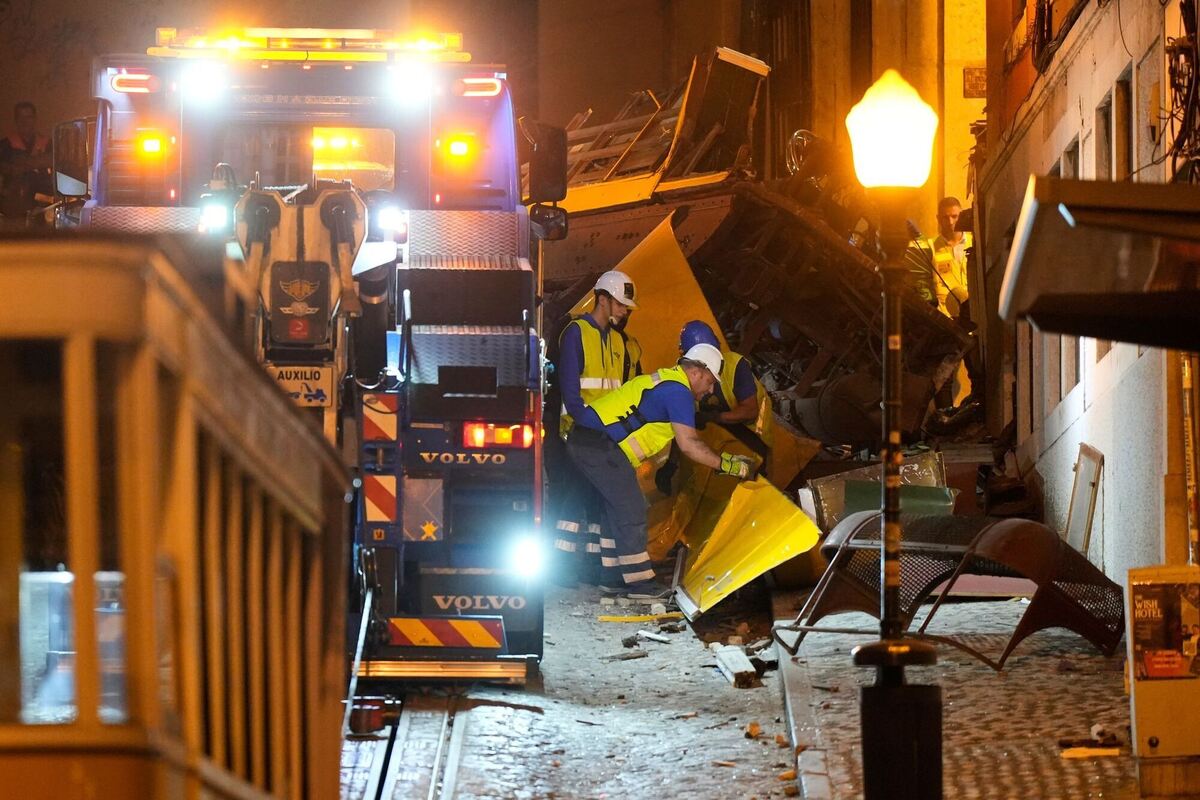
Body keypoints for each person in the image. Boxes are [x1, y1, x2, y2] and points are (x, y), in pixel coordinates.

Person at [566, 343, 754, 599]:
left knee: (616, 509)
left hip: (588, 439)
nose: (710, 390)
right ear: (697, 372)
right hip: (599, 444)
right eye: (710, 381)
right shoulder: (678, 392)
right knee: (632, 508)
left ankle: (612, 578)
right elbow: (689, 444)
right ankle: (640, 583)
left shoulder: (666, 381)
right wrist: (728, 465)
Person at [551, 270, 639, 586]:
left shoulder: (618, 341)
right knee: (576, 497)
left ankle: (589, 569)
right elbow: (571, 396)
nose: (625, 311)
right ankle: (562, 567)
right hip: (578, 431)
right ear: (603, 299)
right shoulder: (576, 333)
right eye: (621, 304)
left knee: (591, 498)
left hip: (604, 436)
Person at [0, 102, 52, 221]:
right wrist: (37, 162)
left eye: (28, 117)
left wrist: (22, 163)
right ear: (16, 120)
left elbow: (53, 160)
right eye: (21, 117)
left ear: (34, 119)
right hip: (15, 208)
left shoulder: (47, 143)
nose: (25, 121)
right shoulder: (5, 145)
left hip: (45, 206)